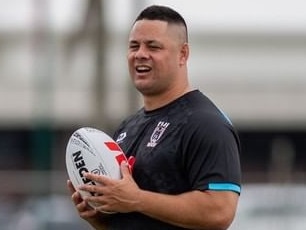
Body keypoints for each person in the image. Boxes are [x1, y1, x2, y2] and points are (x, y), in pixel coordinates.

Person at [67, 5, 241, 230]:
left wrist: (136, 199)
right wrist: (101, 218)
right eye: (133, 46)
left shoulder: (205, 123)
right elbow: (135, 215)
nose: (140, 54)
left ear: (183, 54)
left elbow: (220, 211)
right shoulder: (127, 127)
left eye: (153, 46)